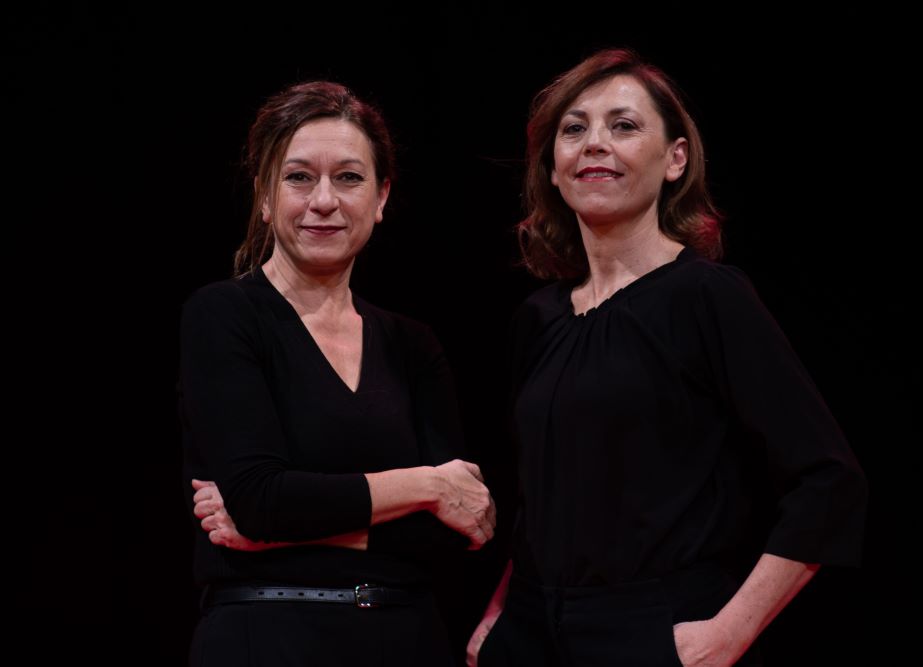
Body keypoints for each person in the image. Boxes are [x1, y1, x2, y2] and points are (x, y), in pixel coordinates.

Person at [466, 49, 868, 667]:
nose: (594, 143)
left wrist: (729, 633)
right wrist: (498, 613)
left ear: (675, 158)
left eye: (623, 126)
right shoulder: (539, 318)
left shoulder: (707, 296)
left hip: (650, 631)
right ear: (551, 165)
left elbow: (828, 483)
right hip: (528, 630)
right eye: (574, 129)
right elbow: (543, 500)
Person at [179, 80, 495, 667]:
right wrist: (426, 486)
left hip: (407, 637)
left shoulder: (412, 344)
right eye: (299, 177)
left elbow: (462, 531)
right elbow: (260, 500)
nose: (323, 200)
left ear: (380, 198)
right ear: (266, 198)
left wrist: (289, 525)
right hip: (265, 637)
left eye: (349, 178)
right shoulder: (224, 316)